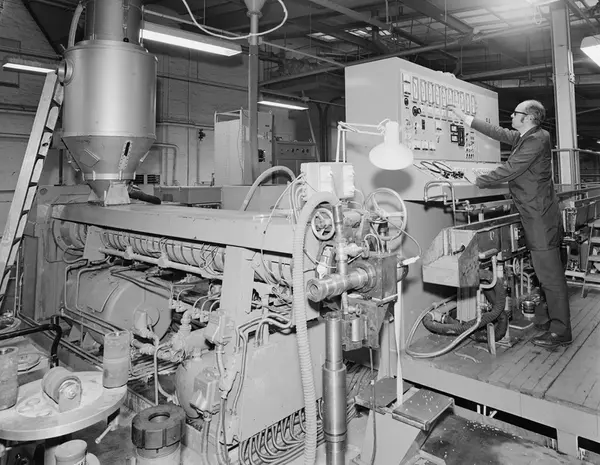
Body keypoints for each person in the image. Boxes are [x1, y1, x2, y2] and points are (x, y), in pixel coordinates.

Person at [448, 100, 572, 349]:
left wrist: (478, 180)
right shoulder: (528, 136)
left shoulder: (536, 140)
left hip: (540, 219)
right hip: (534, 214)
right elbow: (498, 132)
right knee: (545, 274)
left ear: (528, 117)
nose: (511, 116)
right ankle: (554, 321)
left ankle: (561, 331)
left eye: (515, 113)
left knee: (550, 276)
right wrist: (464, 118)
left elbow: (511, 169)